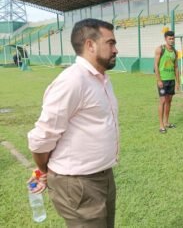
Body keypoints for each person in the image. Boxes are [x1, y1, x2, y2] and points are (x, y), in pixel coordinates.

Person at [27, 19, 119, 227]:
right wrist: (45, 170)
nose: (116, 49)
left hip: (103, 176)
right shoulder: (73, 81)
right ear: (90, 45)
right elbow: (41, 139)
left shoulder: (101, 79)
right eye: (111, 43)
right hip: (79, 183)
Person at [154, 31, 179, 133]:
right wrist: (159, 80)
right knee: (163, 101)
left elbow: (176, 67)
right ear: (165, 39)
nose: (172, 40)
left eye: (173, 38)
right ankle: (161, 125)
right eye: (170, 38)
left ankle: (167, 122)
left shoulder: (175, 52)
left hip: (171, 80)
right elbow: (156, 65)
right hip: (163, 80)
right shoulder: (160, 49)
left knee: (169, 101)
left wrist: (177, 82)